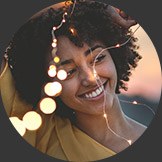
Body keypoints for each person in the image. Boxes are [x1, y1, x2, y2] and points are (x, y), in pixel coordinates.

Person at [0, 0, 146, 161]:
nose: (90, 78)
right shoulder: (38, 132)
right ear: (45, 81)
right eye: (69, 72)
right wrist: (95, 5)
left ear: (115, 56)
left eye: (98, 58)